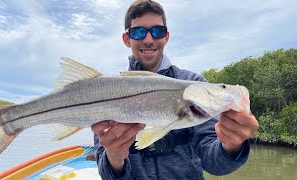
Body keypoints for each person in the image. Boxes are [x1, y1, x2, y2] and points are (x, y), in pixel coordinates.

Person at [92, 0, 259, 179]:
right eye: (139, 32)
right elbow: (106, 174)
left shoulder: (192, 81)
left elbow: (215, 164)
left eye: (157, 31)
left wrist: (232, 146)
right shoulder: (107, 92)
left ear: (166, 36)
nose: (149, 39)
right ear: (127, 39)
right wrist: (114, 158)